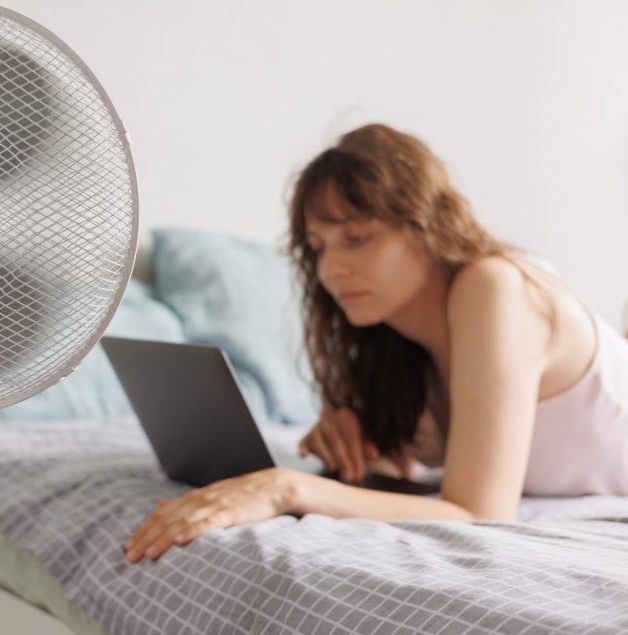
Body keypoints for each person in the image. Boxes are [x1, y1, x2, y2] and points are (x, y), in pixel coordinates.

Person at [123, 123, 628, 564]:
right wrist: (366, 450)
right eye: (319, 247)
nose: (331, 269)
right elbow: (416, 470)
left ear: (428, 224)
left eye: (358, 238)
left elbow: (479, 512)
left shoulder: (494, 287)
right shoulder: (400, 345)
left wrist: (287, 488)